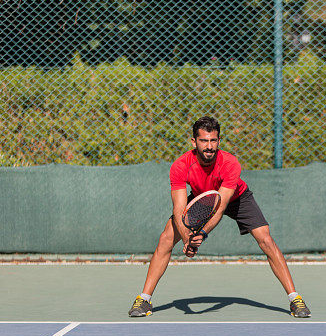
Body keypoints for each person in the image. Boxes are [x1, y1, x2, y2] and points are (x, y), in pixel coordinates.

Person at [128, 116, 311, 318]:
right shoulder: (180, 165)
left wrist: (202, 234)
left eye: (213, 141)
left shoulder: (230, 163)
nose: (209, 146)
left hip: (236, 198)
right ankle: (144, 299)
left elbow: (221, 206)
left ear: (219, 141)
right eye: (204, 141)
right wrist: (187, 238)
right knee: (165, 239)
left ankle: (295, 299)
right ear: (194, 142)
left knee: (266, 240)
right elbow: (179, 208)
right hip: (201, 198)